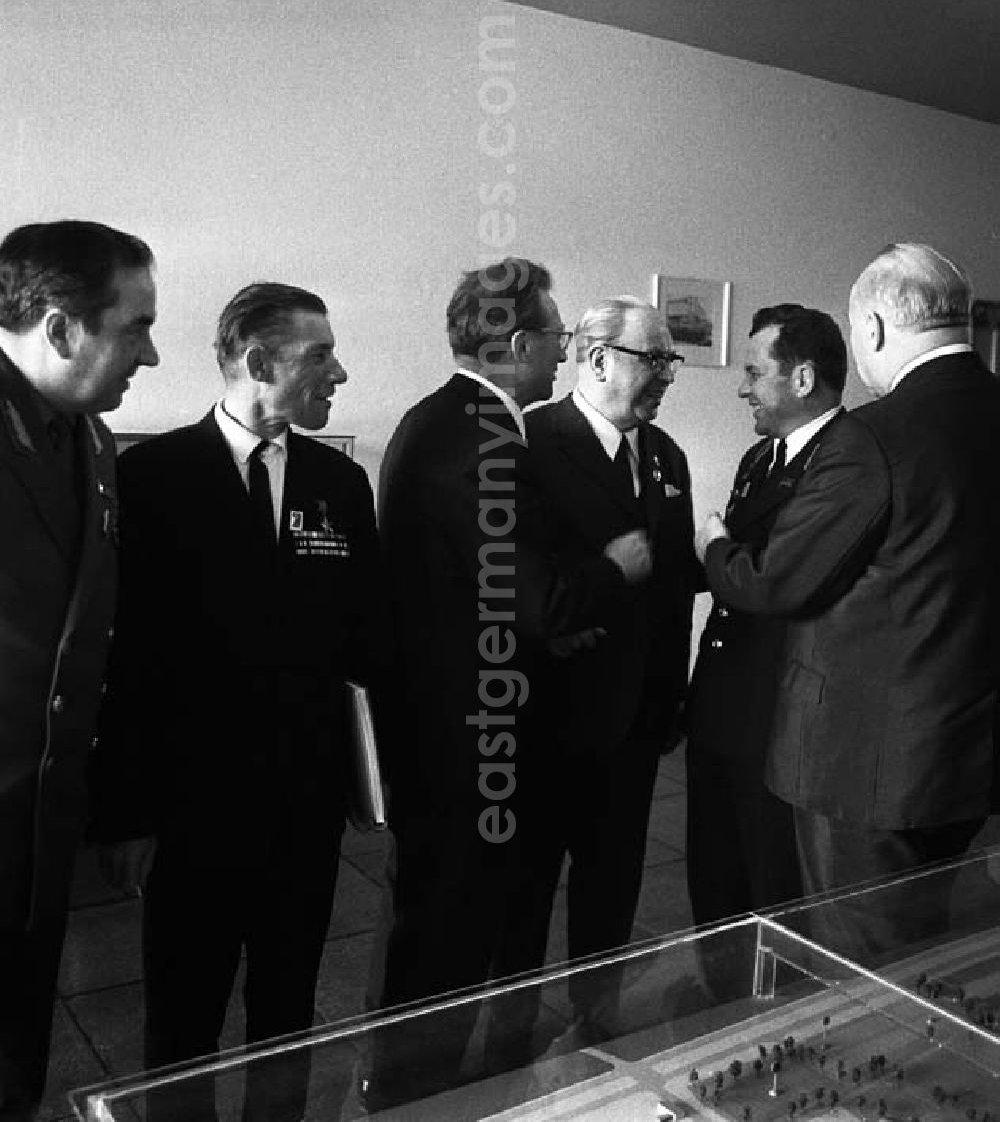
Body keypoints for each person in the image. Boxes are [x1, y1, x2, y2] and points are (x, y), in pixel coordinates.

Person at [89, 282, 382, 1122]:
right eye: (321, 355)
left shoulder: (339, 483)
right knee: (182, 1018)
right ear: (260, 362)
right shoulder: (151, 478)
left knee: (286, 1012)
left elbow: (366, 644)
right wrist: (123, 814)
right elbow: (125, 660)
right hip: (190, 815)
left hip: (303, 806)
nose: (341, 372)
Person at [365, 260, 650, 1106]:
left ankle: (403, 1089)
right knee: (445, 946)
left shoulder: (435, 420)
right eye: (557, 338)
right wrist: (616, 566)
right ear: (518, 343)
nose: (563, 353)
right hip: (469, 746)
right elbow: (544, 596)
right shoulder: (487, 440)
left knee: (429, 931)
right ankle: (418, 1102)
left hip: (441, 727)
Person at [696, 243, 1000, 961]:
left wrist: (712, 544)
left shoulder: (871, 437)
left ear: (873, 331)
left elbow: (776, 582)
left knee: (868, 976)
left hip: (869, 769)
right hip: (971, 755)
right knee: (944, 953)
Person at [490, 295, 698, 1050]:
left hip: (636, 721)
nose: (668, 375)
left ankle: (594, 1020)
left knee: (613, 885)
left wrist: (669, 696)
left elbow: (671, 588)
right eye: (656, 359)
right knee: (526, 890)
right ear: (597, 357)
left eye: (672, 359)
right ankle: (506, 1042)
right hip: (549, 720)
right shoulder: (532, 442)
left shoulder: (666, 456)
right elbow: (512, 584)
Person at [0, 219, 158, 1121]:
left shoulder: (93, 441)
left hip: (39, 823)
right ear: (61, 328)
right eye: (133, 325)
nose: (152, 351)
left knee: (20, 1056)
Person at [684, 304, 845, 995]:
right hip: (723, 697)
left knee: (769, 877)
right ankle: (719, 1003)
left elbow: (768, 580)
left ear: (802, 376)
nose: (743, 386)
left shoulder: (842, 462)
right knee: (711, 868)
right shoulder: (760, 457)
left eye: (755, 371)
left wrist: (715, 545)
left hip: (777, 708)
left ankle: (768, 1019)